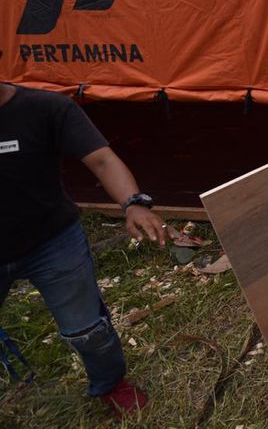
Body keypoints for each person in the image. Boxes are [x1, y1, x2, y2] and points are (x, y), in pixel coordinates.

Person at [0, 71, 170, 417]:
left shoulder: (46, 108)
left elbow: (102, 159)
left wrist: (134, 203)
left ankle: (110, 384)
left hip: (51, 242)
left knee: (87, 330)